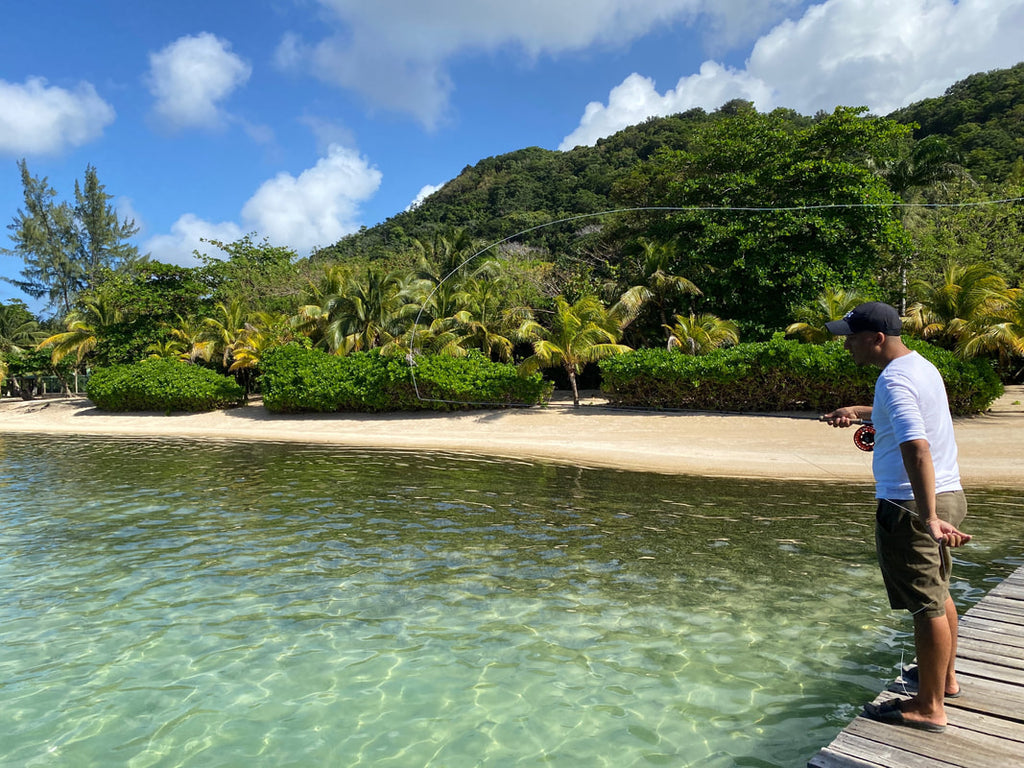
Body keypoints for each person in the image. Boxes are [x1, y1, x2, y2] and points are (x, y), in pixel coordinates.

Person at [822, 301, 971, 734]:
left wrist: (926, 518)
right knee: (938, 593)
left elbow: (916, 447)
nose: (846, 343)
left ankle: (929, 707)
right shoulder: (921, 367)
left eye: (851, 336)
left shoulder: (894, 380)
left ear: (877, 339)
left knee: (925, 606)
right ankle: (944, 681)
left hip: (912, 506)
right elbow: (902, 418)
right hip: (948, 494)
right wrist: (858, 410)